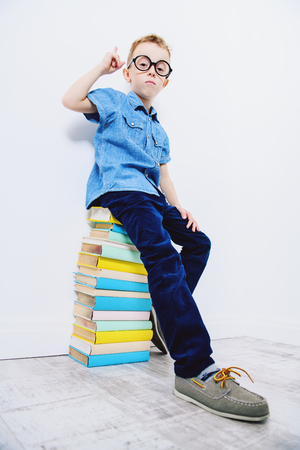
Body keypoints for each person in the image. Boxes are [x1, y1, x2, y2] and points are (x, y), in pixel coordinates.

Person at [62, 34, 269, 422]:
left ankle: (163, 313)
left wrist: (180, 208)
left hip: (154, 196)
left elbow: (164, 176)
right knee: (162, 257)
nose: (151, 71)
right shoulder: (112, 99)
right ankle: (194, 367)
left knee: (199, 244)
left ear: (166, 80)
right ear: (127, 70)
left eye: (160, 67)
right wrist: (99, 67)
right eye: (142, 63)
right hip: (122, 191)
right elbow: (70, 100)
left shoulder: (160, 130)